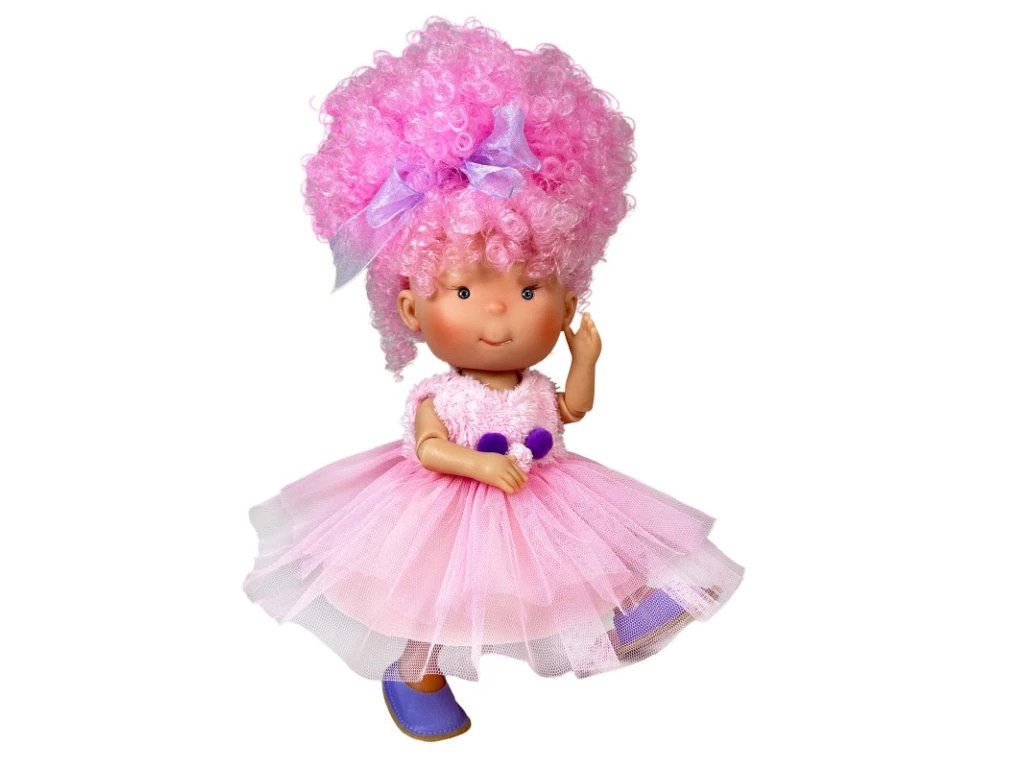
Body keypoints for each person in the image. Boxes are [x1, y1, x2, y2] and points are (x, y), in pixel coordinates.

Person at [244, 17, 744, 742]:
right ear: (410, 308)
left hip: (546, 490)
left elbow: (570, 410)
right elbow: (428, 446)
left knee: (582, 566)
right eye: (465, 291)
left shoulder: (535, 384)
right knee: (431, 589)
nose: (499, 314)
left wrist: (584, 361)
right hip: (449, 498)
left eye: (530, 290)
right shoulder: (441, 395)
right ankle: (414, 668)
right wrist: (474, 463)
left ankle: (616, 623)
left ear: (568, 301)